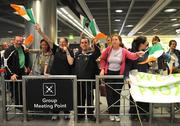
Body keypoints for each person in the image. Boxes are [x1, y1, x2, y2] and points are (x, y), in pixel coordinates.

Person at [100, 34, 145, 122]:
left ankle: (116, 113)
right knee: (109, 95)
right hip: (109, 74)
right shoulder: (108, 50)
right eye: (113, 39)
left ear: (120, 41)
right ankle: (111, 113)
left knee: (117, 95)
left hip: (119, 74)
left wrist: (137, 54)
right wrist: (102, 69)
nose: (114, 41)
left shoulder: (123, 51)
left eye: (116, 39)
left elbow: (132, 56)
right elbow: (102, 59)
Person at [35, 24, 74, 121]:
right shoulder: (56, 49)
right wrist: (40, 31)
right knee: (55, 95)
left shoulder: (70, 51)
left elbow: (71, 62)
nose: (62, 44)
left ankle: (66, 112)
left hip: (66, 77)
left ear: (67, 43)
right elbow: (47, 40)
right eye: (60, 42)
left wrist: (67, 51)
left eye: (64, 42)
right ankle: (55, 112)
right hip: (55, 76)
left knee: (65, 95)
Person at [73, 37, 101, 121]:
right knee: (79, 98)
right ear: (80, 45)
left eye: (86, 42)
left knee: (89, 98)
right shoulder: (77, 55)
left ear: (88, 44)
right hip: (78, 82)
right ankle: (80, 114)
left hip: (89, 82)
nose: (84, 44)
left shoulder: (92, 55)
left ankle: (90, 114)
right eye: (82, 42)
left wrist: (95, 44)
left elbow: (98, 52)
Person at [125, 36, 149, 121]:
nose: (147, 43)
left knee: (144, 95)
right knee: (134, 95)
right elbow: (127, 65)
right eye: (146, 42)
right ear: (141, 44)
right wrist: (127, 77)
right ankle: (134, 113)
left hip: (144, 76)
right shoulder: (131, 52)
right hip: (134, 77)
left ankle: (144, 113)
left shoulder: (146, 52)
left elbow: (146, 63)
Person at [4, 36, 29, 107]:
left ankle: (23, 106)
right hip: (14, 74)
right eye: (17, 41)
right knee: (16, 92)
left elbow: (22, 58)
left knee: (22, 90)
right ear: (14, 40)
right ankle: (19, 107)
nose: (19, 42)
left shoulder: (22, 48)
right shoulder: (9, 50)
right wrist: (11, 74)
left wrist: (25, 66)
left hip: (22, 72)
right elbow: (6, 64)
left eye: (21, 41)